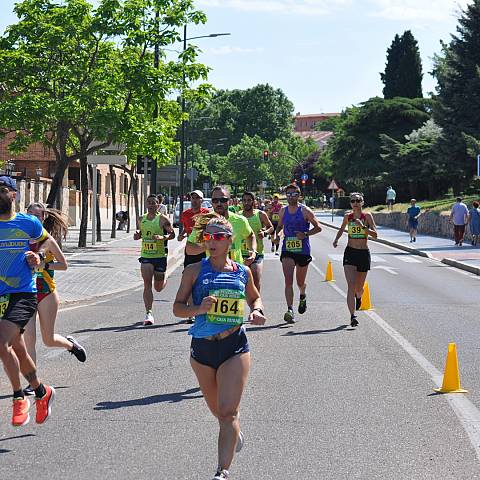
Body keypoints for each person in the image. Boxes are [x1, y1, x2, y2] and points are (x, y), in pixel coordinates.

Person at [173, 216, 266, 480]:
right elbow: (177, 308)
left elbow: (254, 296)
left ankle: (222, 471)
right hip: (202, 349)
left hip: (234, 345)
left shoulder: (241, 271)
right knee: (218, 411)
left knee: (228, 412)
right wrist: (198, 308)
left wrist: (257, 310)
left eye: (218, 237)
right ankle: (233, 431)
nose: (211, 242)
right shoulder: (194, 271)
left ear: (229, 240)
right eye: (207, 237)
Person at [0, 176, 56, 426]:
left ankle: (18, 397)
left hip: (23, 292)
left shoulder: (28, 222)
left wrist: (39, 255)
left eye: (1, 190)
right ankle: (42, 392)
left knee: (1, 343)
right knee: (17, 348)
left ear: (13, 194)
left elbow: (46, 241)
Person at [22, 203, 86, 396]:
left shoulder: (48, 240)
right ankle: (32, 383)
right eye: (30, 214)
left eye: (37, 215)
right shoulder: (20, 238)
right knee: (29, 340)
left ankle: (71, 345)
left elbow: (64, 265)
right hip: (26, 292)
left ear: (43, 218)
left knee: (48, 339)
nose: (33, 218)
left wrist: (44, 263)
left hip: (46, 291)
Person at [276, 184, 322, 323]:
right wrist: (277, 235)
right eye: (288, 194)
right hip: (287, 250)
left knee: (300, 282)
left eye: (294, 194)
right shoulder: (283, 211)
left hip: (302, 251)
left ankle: (302, 294)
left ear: (299, 195)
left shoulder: (305, 210)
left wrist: (306, 234)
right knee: (288, 281)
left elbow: (318, 227)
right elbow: (279, 226)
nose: (291, 197)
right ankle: (290, 309)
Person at [333, 192, 377, 327]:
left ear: (362, 202)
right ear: (350, 203)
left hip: (363, 253)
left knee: (359, 287)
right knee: (351, 286)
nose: (355, 203)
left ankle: (359, 296)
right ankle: (352, 316)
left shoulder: (367, 216)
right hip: (350, 253)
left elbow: (375, 235)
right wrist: (336, 239)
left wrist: (363, 227)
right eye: (353, 201)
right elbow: (341, 229)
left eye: (358, 200)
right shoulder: (348, 216)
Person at [187, 186, 257, 267]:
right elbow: (189, 249)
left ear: (229, 202)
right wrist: (208, 244)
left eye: (223, 200)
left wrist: (253, 251)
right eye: (215, 200)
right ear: (211, 202)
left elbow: (251, 235)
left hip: (236, 272)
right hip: (213, 273)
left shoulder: (240, 220)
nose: (219, 203)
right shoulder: (204, 221)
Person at [134, 194, 175, 325]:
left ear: (158, 205)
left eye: (154, 203)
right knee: (147, 284)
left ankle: (164, 278)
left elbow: (172, 234)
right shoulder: (141, 219)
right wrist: (137, 235)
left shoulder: (162, 219)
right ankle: (149, 313)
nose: (151, 205)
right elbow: (140, 233)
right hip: (146, 255)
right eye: (149, 203)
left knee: (158, 288)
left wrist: (162, 238)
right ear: (146, 205)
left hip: (160, 256)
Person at [177, 190, 211, 323]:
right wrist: (182, 234)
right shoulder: (185, 214)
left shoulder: (207, 213)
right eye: (193, 198)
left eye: (198, 198)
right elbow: (187, 228)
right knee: (189, 280)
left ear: (202, 201)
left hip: (204, 250)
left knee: (206, 279)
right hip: (191, 250)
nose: (195, 200)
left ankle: (206, 309)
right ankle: (191, 313)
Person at [240, 192, 274, 292]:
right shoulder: (238, 216)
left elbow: (271, 227)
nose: (246, 203)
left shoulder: (260, 214)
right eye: (244, 200)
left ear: (254, 202)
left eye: (249, 200)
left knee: (255, 278)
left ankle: (256, 302)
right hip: (241, 254)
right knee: (240, 281)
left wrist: (265, 232)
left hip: (257, 253)